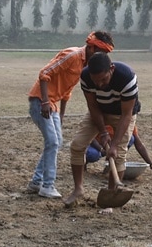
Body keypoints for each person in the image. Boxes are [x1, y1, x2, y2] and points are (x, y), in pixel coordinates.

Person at [27, 29, 114, 199]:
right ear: (90, 48)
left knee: (57, 142)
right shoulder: (72, 56)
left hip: (54, 105)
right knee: (52, 142)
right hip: (40, 101)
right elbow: (44, 73)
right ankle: (47, 185)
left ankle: (36, 181)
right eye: (100, 53)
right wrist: (45, 101)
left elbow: (67, 91)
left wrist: (61, 117)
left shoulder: (87, 67)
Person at [65, 52, 138, 207]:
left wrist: (113, 144)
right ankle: (78, 189)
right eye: (95, 81)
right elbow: (92, 105)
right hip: (99, 111)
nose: (99, 85)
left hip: (122, 114)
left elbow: (127, 114)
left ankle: (112, 194)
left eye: (103, 79)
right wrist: (103, 132)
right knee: (77, 146)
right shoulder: (85, 77)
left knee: (118, 154)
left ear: (111, 69)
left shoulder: (127, 78)